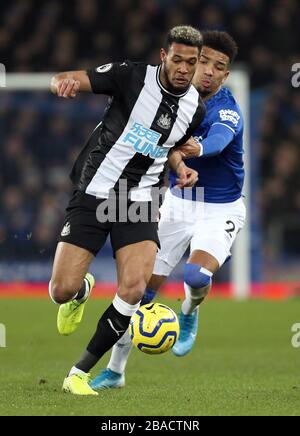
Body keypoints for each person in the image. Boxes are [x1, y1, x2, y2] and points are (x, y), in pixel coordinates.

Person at [49, 25, 206, 396]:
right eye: (179, 59)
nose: (185, 68)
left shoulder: (194, 108)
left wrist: (180, 166)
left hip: (139, 199)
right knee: (60, 289)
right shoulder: (130, 76)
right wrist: (62, 83)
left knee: (134, 288)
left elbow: (166, 144)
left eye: (192, 62)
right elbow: (74, 77)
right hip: (95, 190)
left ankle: (79, 373)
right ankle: (80, 292)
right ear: (164, 56)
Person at [91, 30, 246, 390]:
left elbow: (220, 138)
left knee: (195, 277)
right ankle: (115, 371)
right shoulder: (169, 100)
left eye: (218, 67)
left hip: (219, 208)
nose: (208, 71)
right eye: (202, 61)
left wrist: (197, 148)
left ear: (226, 75)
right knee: (138, 292)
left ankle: (189, 312)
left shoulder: (226, 108)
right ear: (191, 62)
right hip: (177, 204)